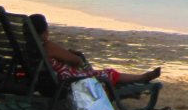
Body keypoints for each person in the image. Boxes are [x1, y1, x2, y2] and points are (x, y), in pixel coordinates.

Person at [29, 14, 161, 86]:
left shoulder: (29, 47)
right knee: (108, 73)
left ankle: (140, 78)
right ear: (44, 31)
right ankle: (142, 77)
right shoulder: (47, 46)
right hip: (68, 82)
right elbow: (76, 61)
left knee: (97, 71)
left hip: (45, 83)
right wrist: (80, 60)